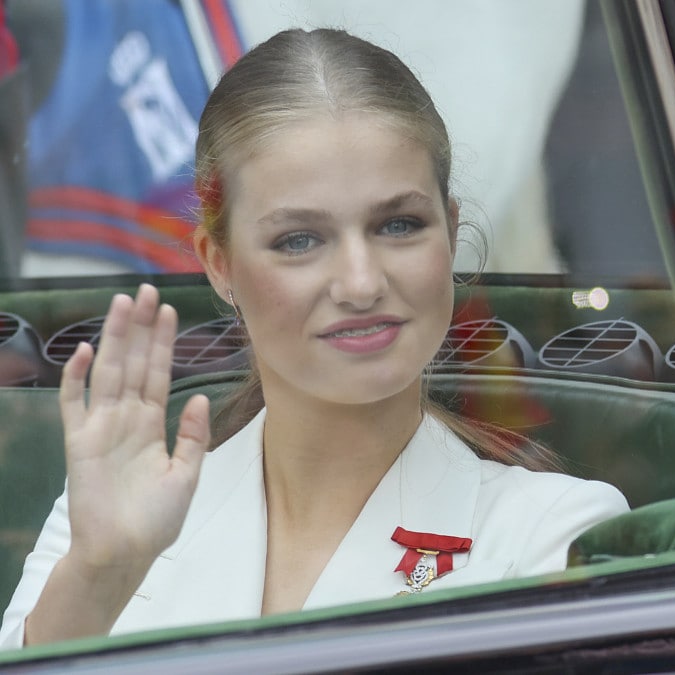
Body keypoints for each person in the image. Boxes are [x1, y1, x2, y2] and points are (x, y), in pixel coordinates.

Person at [0, 28, 628, 648]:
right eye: (299, 239)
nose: (360, 282)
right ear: (218, 263)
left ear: (451, 229)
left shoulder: (558, 537)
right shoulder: (106, 524)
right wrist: (100, 574)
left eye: (400, 224)